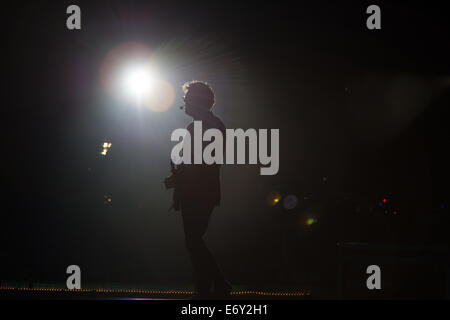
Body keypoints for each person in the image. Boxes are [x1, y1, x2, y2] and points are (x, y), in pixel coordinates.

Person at [164, 81, 232, 299]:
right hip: (205, 191)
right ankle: (208, 285)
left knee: (193, 240)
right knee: (194, 240)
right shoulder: (215, 124)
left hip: (197, 191)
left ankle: (214, 285)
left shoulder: (198, 127)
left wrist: (176, 181)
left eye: (188, 98)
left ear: (197, 101)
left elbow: (196, 163)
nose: (184, 103)